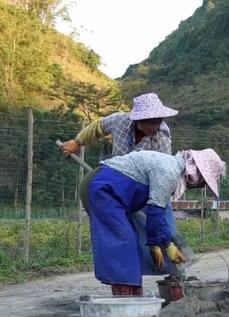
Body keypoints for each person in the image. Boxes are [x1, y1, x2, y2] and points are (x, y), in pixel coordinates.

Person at [61, 93, 182, 284]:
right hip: (116, 185)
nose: (155, 125)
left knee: (165, 223)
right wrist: (77, 143)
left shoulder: (162, 137)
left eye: (158, 120)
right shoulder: (120, 121)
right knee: (125, 234)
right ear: (138, 120)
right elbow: (97, 127)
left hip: (148, 186)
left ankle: (175, 273)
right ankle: (127, 277)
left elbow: (164, 175)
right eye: (150, 121)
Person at [81, 148, 226, 296]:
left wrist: (155, 244)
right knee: (124, 244)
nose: (201, 185)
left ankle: (135, 297)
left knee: (132, 244)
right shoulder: (169, 172)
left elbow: (156, 213)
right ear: (196, 171)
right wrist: (169, 247)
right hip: (102, 189)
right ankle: (125, 301)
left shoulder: (171, 168)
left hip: (114, 195)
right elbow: (155, 213)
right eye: (203, 181)